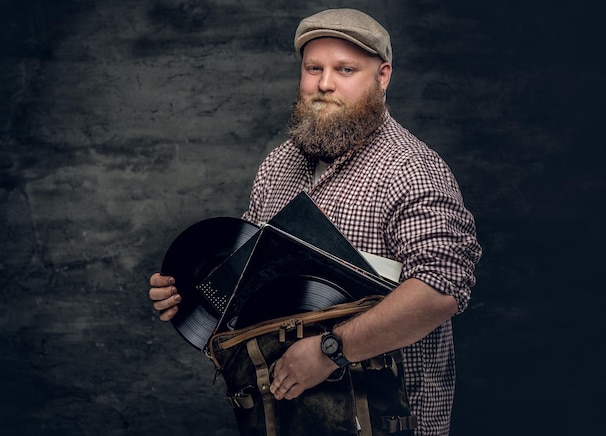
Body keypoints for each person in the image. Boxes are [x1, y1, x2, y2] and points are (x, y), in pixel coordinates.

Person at [149, 8, 481, 436]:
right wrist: (189, 294)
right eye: (314, 68)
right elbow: (244, 283)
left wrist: (330, 351)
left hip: (387, 422)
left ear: (382, 77)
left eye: (345, 69)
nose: (325, 84)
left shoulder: (410, 169)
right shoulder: (278, 165)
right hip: (283, 419)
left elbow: (441, 290)